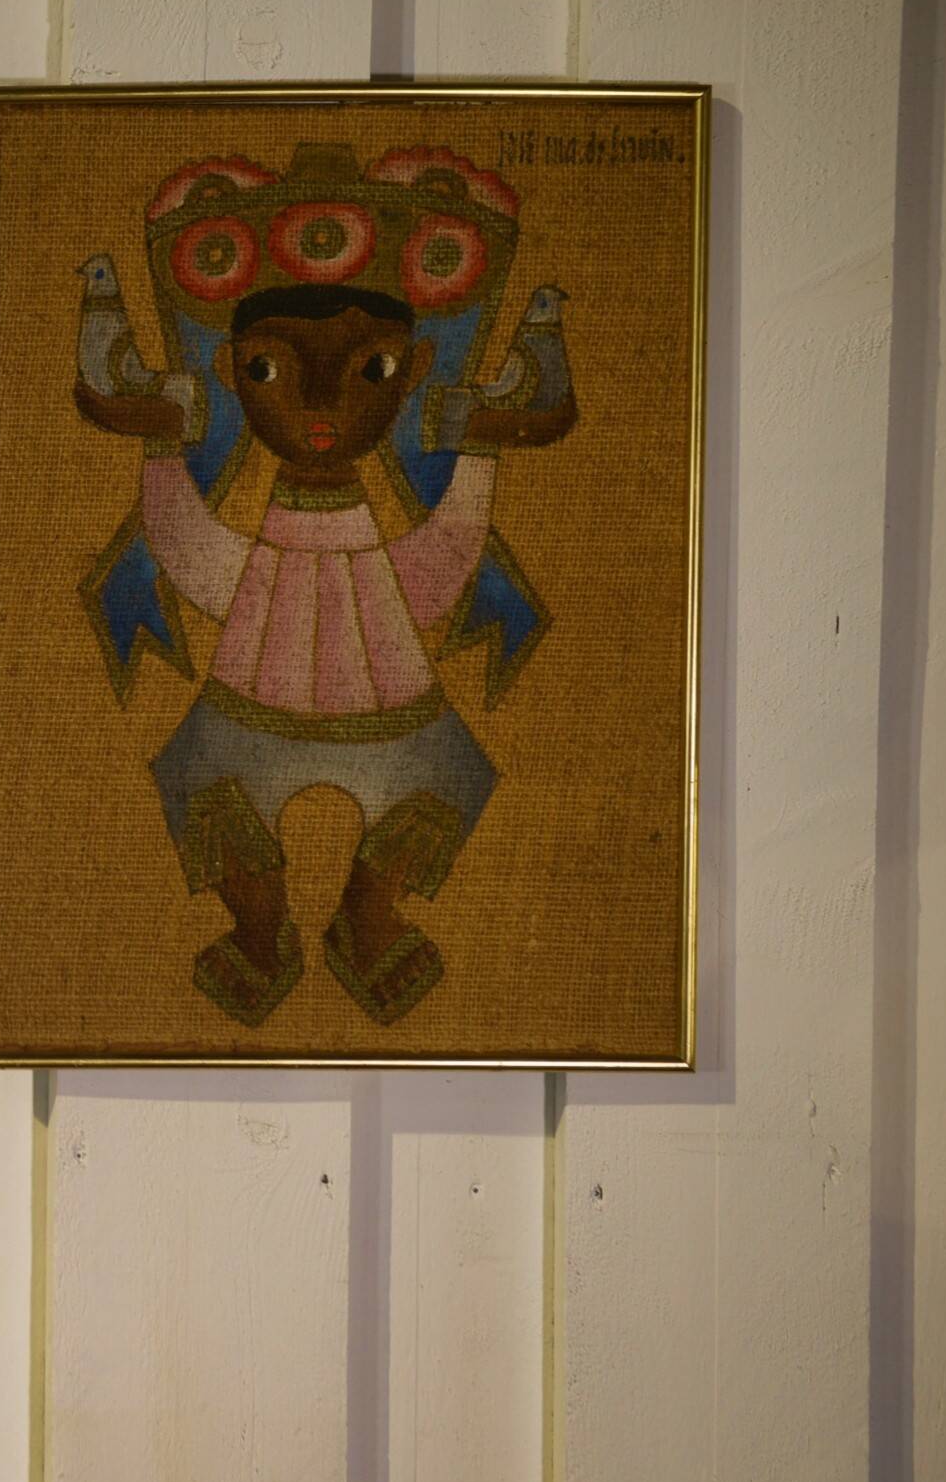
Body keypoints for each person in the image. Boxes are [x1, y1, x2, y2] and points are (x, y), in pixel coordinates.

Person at [74, 147, 574, 1025]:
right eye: (268, 370)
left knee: (441, 776)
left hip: (393, 701)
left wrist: (480, 452)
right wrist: (160, 450)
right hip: (245, 699)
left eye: (369, 371)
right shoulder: (271, 543)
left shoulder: (372, 546)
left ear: (412, 370)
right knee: (204, 782)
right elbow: (193, 557)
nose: (316, 403)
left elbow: (442, 563)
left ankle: (365, 919)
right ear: (231, 373)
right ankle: (261, 929)